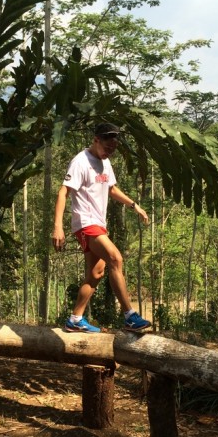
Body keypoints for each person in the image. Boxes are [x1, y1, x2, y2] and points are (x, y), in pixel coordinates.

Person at [52, 122, 152, 333]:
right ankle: (129, 316)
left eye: (113, 149)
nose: (109, 152)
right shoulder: (80, 162)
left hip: (98, 223)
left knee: (96, 273)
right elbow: (63, 192)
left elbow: (112, 189)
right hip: (86, 223)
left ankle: (75, 319)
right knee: (116, 258)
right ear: (96, 140)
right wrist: (58, 227)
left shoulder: (105, 162)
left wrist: (134, 205)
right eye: (107, 147)